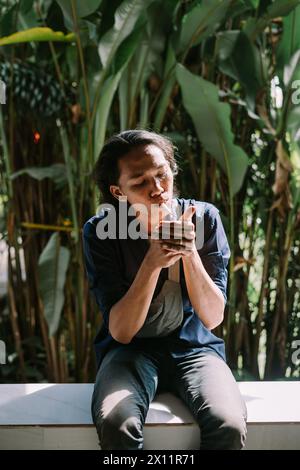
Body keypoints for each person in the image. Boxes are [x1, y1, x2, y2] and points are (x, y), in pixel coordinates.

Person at [82, 129, 247, 450]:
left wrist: (187, 251)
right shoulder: (101, 232)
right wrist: (152, 262)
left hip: (196, 348)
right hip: (129, 352)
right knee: (118, 423)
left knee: (227, 423)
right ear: (118, 191)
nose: (157, 189)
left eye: (162, 174)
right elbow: (122, 331)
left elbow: (213, 317)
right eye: (140, 182)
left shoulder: (205, 219)